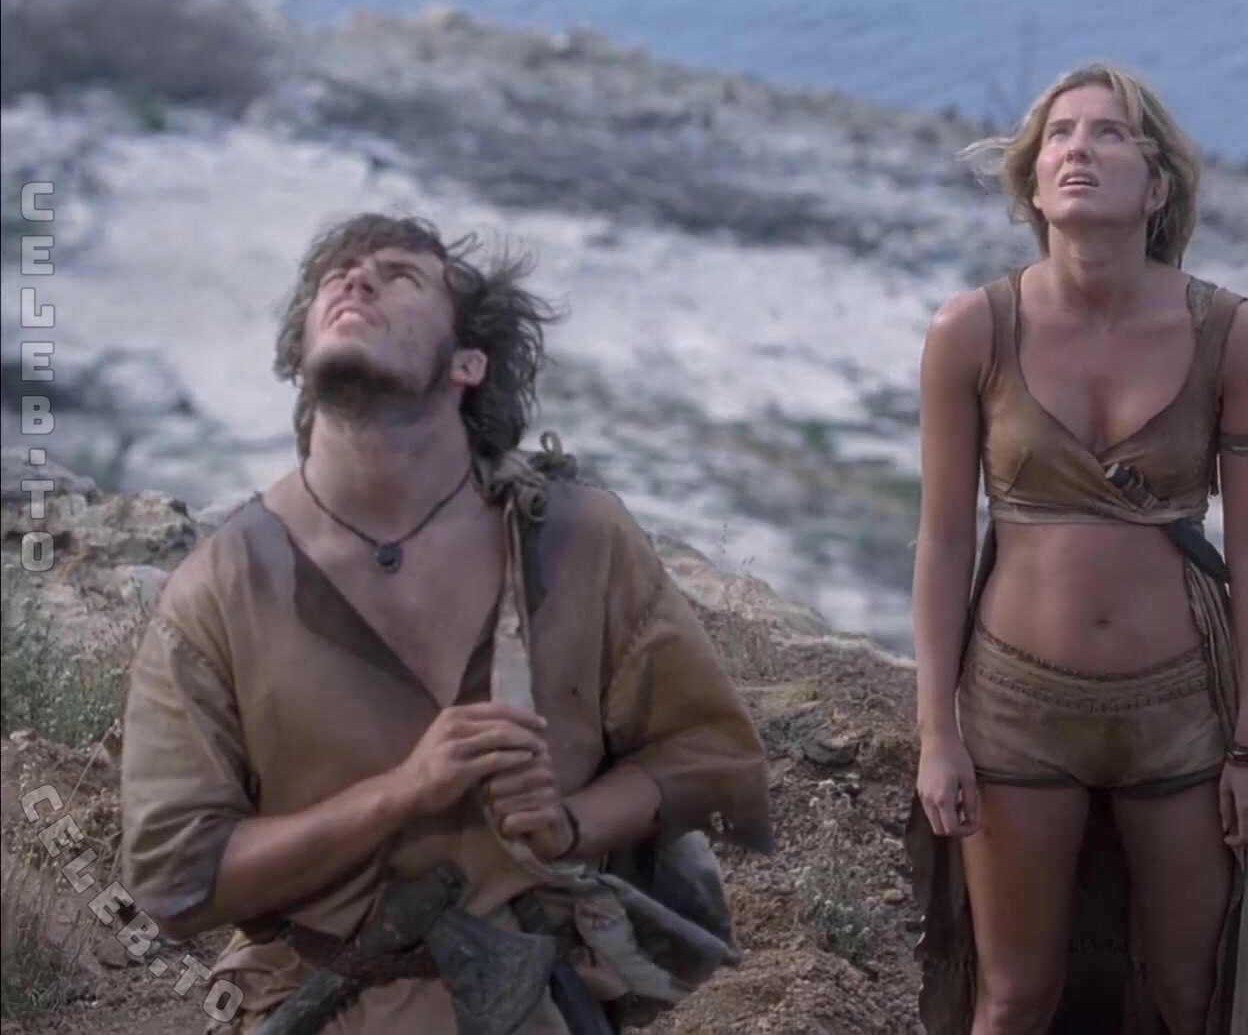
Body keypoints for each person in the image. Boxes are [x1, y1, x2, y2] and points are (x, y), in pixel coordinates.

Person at [116, 213, 774, 1034]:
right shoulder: (221, 588)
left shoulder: (575, 540)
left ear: (469, 361)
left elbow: (715, 758)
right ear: (302, 356)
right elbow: (175, 880)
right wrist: (400, 794)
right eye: (336, 277)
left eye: (400, 275)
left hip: (540, 1007)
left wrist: (571, 823)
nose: (356, 280)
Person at [903, 61, 1248, 1034]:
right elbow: (943, 540)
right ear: (1034, 185)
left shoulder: (1232, 335)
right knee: (1012, 997)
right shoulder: (971, 331)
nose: (1079, 148)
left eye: (1109, 132)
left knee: (1189, 995)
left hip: (1180, 707)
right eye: (1059, 136)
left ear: (1157, 188)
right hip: (1015, 705)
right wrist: (937, 733)